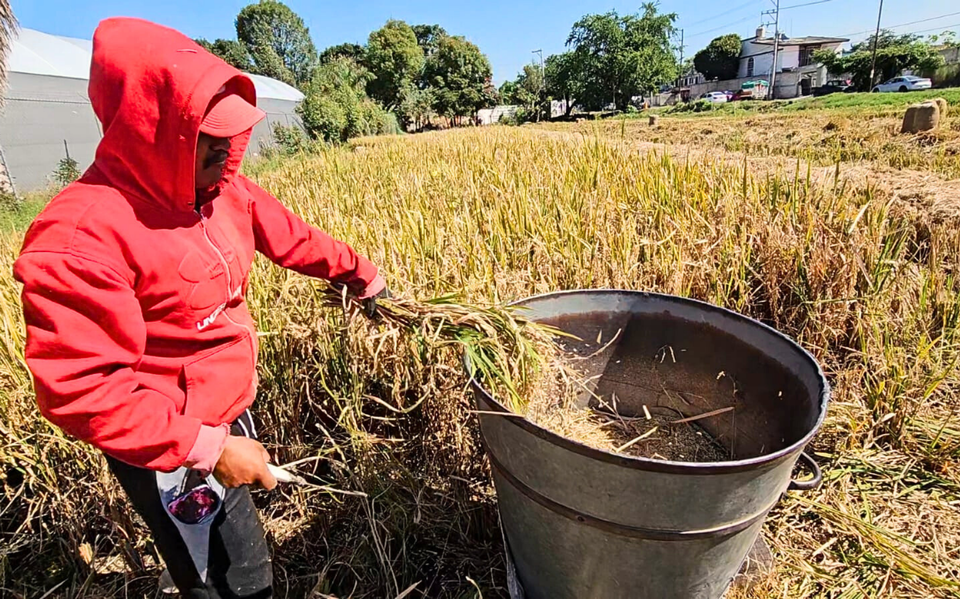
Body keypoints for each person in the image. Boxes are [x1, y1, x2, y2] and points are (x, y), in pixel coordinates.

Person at [13, 18, 388, 599]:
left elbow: (291, 235)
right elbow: (81, 391)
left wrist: (362, 277)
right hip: (166, 446)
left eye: (230, 134)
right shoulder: (80, 240)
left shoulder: (218, 187)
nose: (227, 149)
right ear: (152, 130)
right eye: (207, 135)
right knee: (235, 580)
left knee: (222, 559)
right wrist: (206, 449)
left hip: (221, 410)